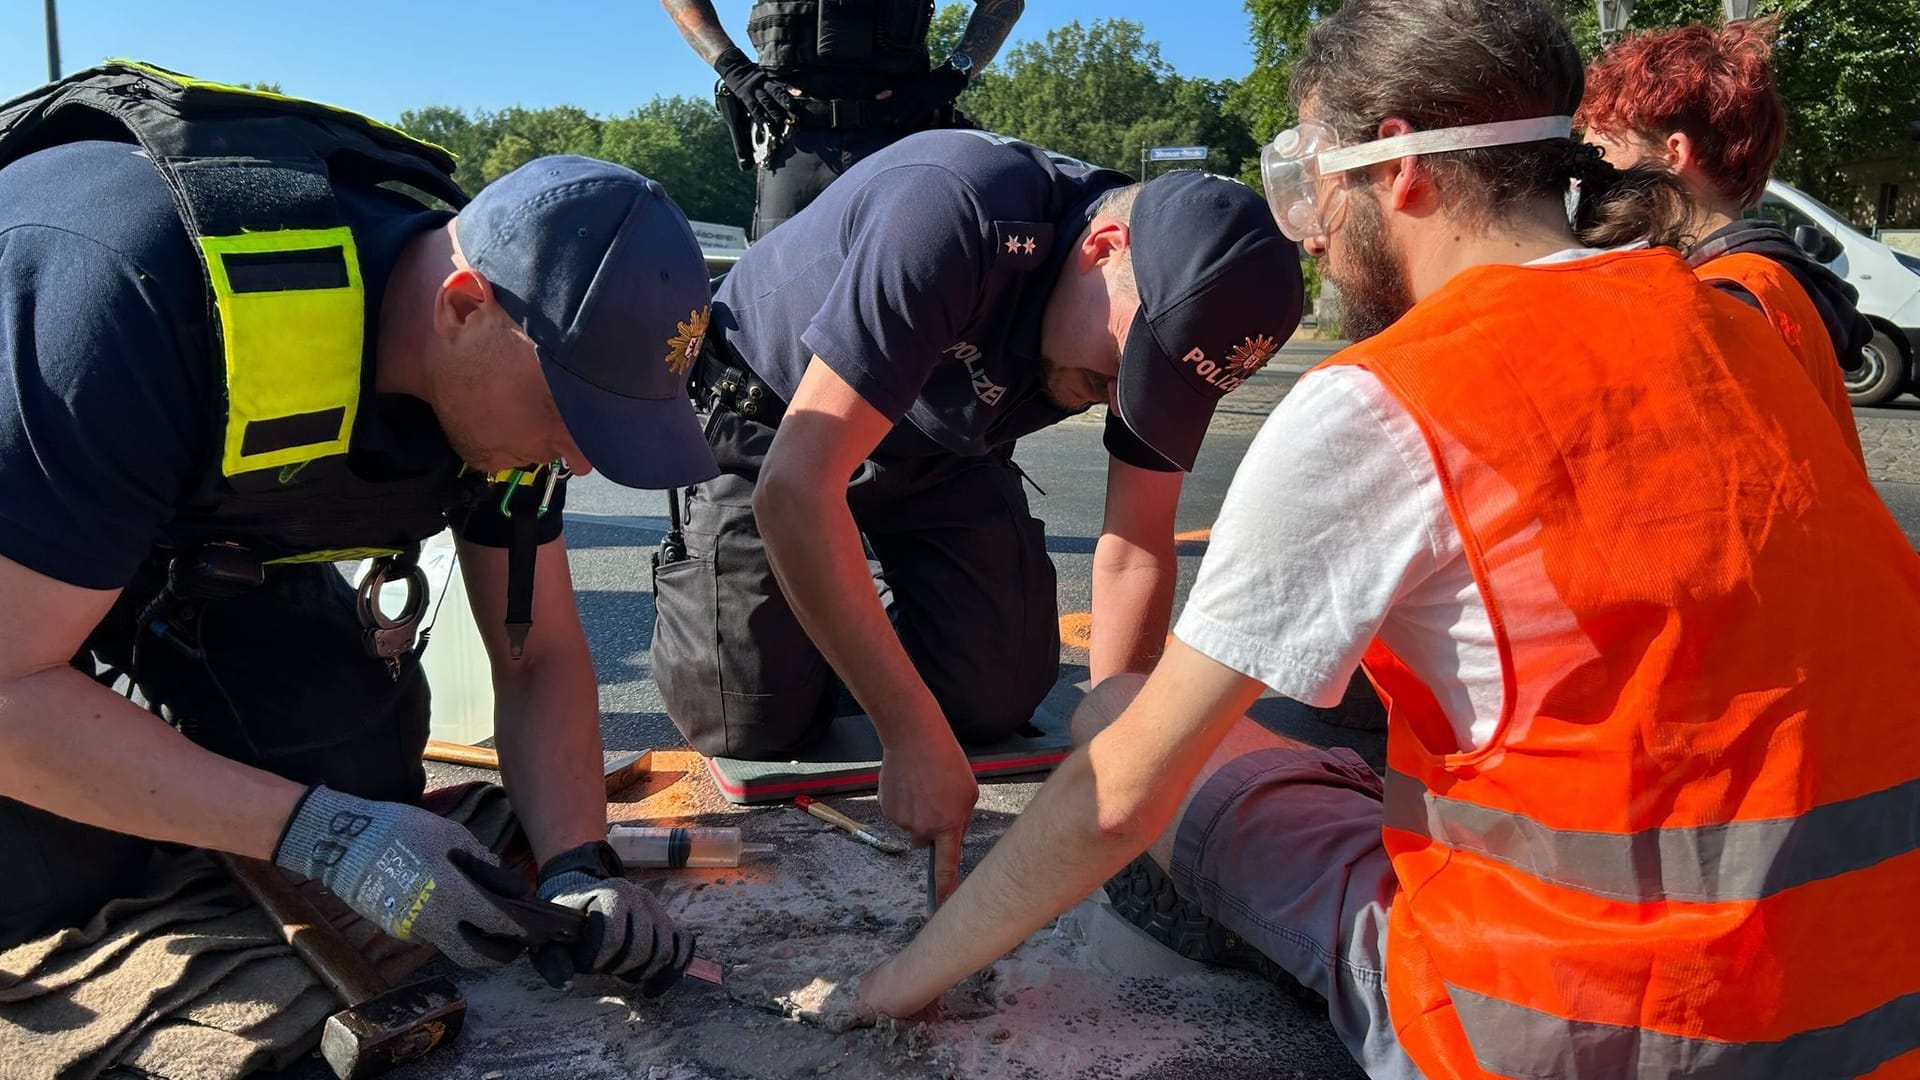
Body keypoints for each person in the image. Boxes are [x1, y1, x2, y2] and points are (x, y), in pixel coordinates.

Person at [853, 2, 1920, 1077]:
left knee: (1130, 711)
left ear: (1401, 168)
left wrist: (898, 982)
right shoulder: (1743, 325)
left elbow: (1120, 797)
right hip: (1876, 1014)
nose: (1309, 226)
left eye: (1309, 171)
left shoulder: (1392, 399)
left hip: (1560, 1033)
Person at [0, 63, 718, 994]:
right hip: (28, 497)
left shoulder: (496, 377)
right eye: (571, 416)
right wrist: (320, 835)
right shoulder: (129, 286)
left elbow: (535, 652)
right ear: (465, 307)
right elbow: (9, 687)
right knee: (45, 870)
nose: (580, 463)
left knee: (350, 766)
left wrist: (578, 865)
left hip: (169, 535)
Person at [650, 128, 1302, 902]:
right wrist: (906, 731)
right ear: (1103, 247)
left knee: (993, 699)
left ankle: (838, 610)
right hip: (778, 423)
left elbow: (1134, 544)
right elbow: (797, 485)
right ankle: (797, 616)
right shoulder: (954, 211)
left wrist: (1118, 751)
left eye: (1166, 383)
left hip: (940, 443)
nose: (1128, 391)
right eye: (1133, 360)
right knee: (751, 720)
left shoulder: (1162, 324)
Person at [1579, 19, 1869, 459]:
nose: (1587, 178)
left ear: (1672, 152)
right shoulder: (1777, 280)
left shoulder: (1724, 303)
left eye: (1600, 154)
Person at [659, 0, 1026, 238]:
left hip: (899, 139)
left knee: (903, 309)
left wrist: (953, 75)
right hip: (795, 140)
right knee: (778, 311)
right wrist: (732, 67)